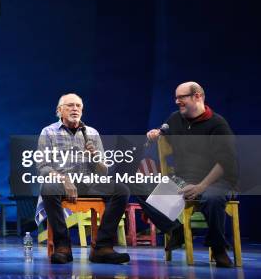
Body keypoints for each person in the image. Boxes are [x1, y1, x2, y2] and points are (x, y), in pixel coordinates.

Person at [145, 81, 237, 268]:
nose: (177, 101)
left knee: (213, 198)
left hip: (215, 181)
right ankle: (175, 230)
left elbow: (225, 163)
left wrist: (201, 186)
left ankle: (218, 249)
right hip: (183, 179)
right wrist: (155, 134)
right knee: (137, 186)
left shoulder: (217, 124)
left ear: (197, 96)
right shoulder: (175, 119)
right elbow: (163, 132)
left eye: (182, 97)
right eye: (176, 98)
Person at [37, 93, 130, 264]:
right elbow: (43, 167)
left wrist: (95, 157)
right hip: (60, 182)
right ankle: (63, 247)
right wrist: (64, 179)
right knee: (47, 188)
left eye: (78, 106)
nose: (75, 109)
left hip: (88, 182)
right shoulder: (48, 132)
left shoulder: (92, 132)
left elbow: (103, 171)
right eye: (70, 105)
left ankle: (101, 247)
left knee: (121, 190)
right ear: (59, 111)